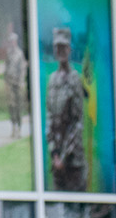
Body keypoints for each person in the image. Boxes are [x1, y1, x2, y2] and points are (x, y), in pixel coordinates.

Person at [46, 28, 88, 191]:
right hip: (57, 162)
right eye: (57, 47)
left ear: (69, 49)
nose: (60, 50)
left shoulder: (75, 80)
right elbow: (49, 118)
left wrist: (63, 157)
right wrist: (54, 154)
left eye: (63, 47)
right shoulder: (52, 80)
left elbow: (78, 123)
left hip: (73, 162)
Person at [3, 30, 27, 138]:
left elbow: (22, 69)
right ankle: (13, 127)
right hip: (10, 83)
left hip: (17, 83)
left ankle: (19, 128)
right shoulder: (8, 53)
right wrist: (5, 81)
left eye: (13, 41)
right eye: (10, 41)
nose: (11, 43)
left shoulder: (19, 53)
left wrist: (21, 81)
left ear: (16, 42)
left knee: (18, 107)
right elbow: (6, 68)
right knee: (11, 106)